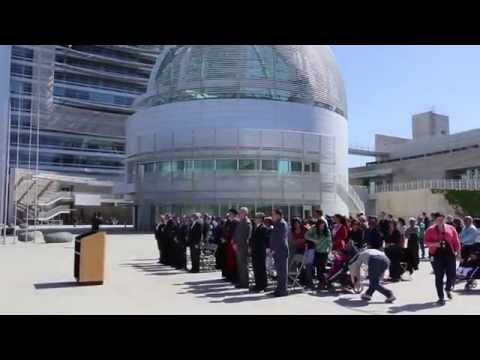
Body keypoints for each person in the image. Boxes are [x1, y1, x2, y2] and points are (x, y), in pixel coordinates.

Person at [424, 212, 461, 305]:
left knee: (452, 274)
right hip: (436, 254)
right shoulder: (430, 230)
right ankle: (440, 297)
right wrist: (435, 244)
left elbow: (456, 241)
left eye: (442, 219)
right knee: (439, 276)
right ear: (435, 220)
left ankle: (448, 289)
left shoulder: (451, 228)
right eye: (438, 220)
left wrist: (457, 252)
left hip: (449, 253)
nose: (440, 221)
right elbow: (426, 242)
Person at [305, 219, 331, 289]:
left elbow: (330, 242)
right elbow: (306, 235)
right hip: (316, 251)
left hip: (324, 252)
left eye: (323, 225)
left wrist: (330, 250)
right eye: (320, 225)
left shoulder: (327, 231)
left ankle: (323, 283)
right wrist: (313, 240)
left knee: (322, 269)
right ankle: (322, 282)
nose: (322, 227)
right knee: (318, 268)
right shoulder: (314, 229)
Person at [270, 208, 289, 297]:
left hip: (280, 251)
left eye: (273, 214)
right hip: (277, 251)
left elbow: (281, 239)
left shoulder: (281, 223)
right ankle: (279, 289)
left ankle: (282, 291)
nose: (272, 216)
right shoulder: (277, 223)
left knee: (282, 272)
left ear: (278, 215)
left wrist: (274, 250)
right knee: (279, 272)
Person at [233, 207, 252, 289]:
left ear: (245, 213)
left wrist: (247, 247)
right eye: (239, 212)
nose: (239, 214)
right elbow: (236, 234)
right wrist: (234, 243)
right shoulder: (240, 221)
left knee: (243, 266)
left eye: (241, 212)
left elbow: (248, 236)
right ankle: (241, 282)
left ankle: (244, 283)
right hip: (238, 246)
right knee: (240, 265)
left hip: (243, 246)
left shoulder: (247, 222)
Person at [249, 212, 270, 292]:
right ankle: (258, 284)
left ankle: (263, 285)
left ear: (260, 219)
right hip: (255, 251)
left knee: (261, 268)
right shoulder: (256, 227)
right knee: (256, 268)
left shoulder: (263, 228)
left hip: (260, 251)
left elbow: (263, 241)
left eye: (256, 217)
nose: (255, 219)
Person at [223, 209, 239, 283]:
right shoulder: (230, 222)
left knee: (233, 261)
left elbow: (234, 233)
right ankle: (229, 276)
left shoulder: (235, 222)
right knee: (229, 260)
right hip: (228, 242)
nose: (229, 215)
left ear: (234, 214)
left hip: (232, 242)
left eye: (231, 214)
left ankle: (233, 277)